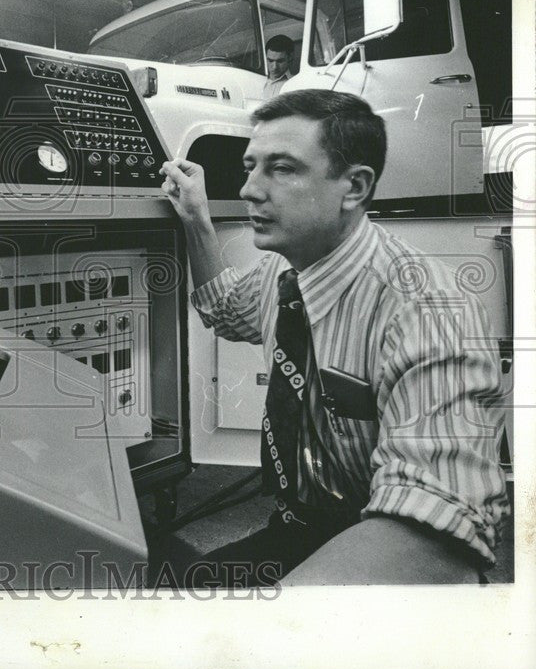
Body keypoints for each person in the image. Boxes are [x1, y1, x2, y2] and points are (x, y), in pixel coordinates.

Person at [159, 89, 508, 586]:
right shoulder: (282, 269)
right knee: (174, 593)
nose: (250, 190)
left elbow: (431, 528)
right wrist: (195, 216)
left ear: (354, 187)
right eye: (250, 167)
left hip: (392, 549)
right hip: (300, 528)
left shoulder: (429, 308)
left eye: (281, 168)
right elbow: (223, 308)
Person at [262, 34, 294, 98]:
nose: (274, 67)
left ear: (290, 57)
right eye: (270, 61)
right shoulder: (256, 80)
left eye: (280, 61)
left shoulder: (295, 84)